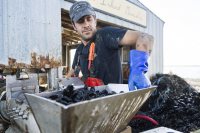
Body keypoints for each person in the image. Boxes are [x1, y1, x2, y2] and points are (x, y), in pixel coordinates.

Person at [66, 1, 154, 90]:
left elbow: (145, 37)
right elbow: (73, 71)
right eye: (80, 21)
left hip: (113, 99)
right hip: (91, 99)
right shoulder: (79, 50)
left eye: (89, 19)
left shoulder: (105, 35)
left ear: (95, 20)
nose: (86, 25)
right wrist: (64, 83)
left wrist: (138, 70)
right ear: (74, 25)